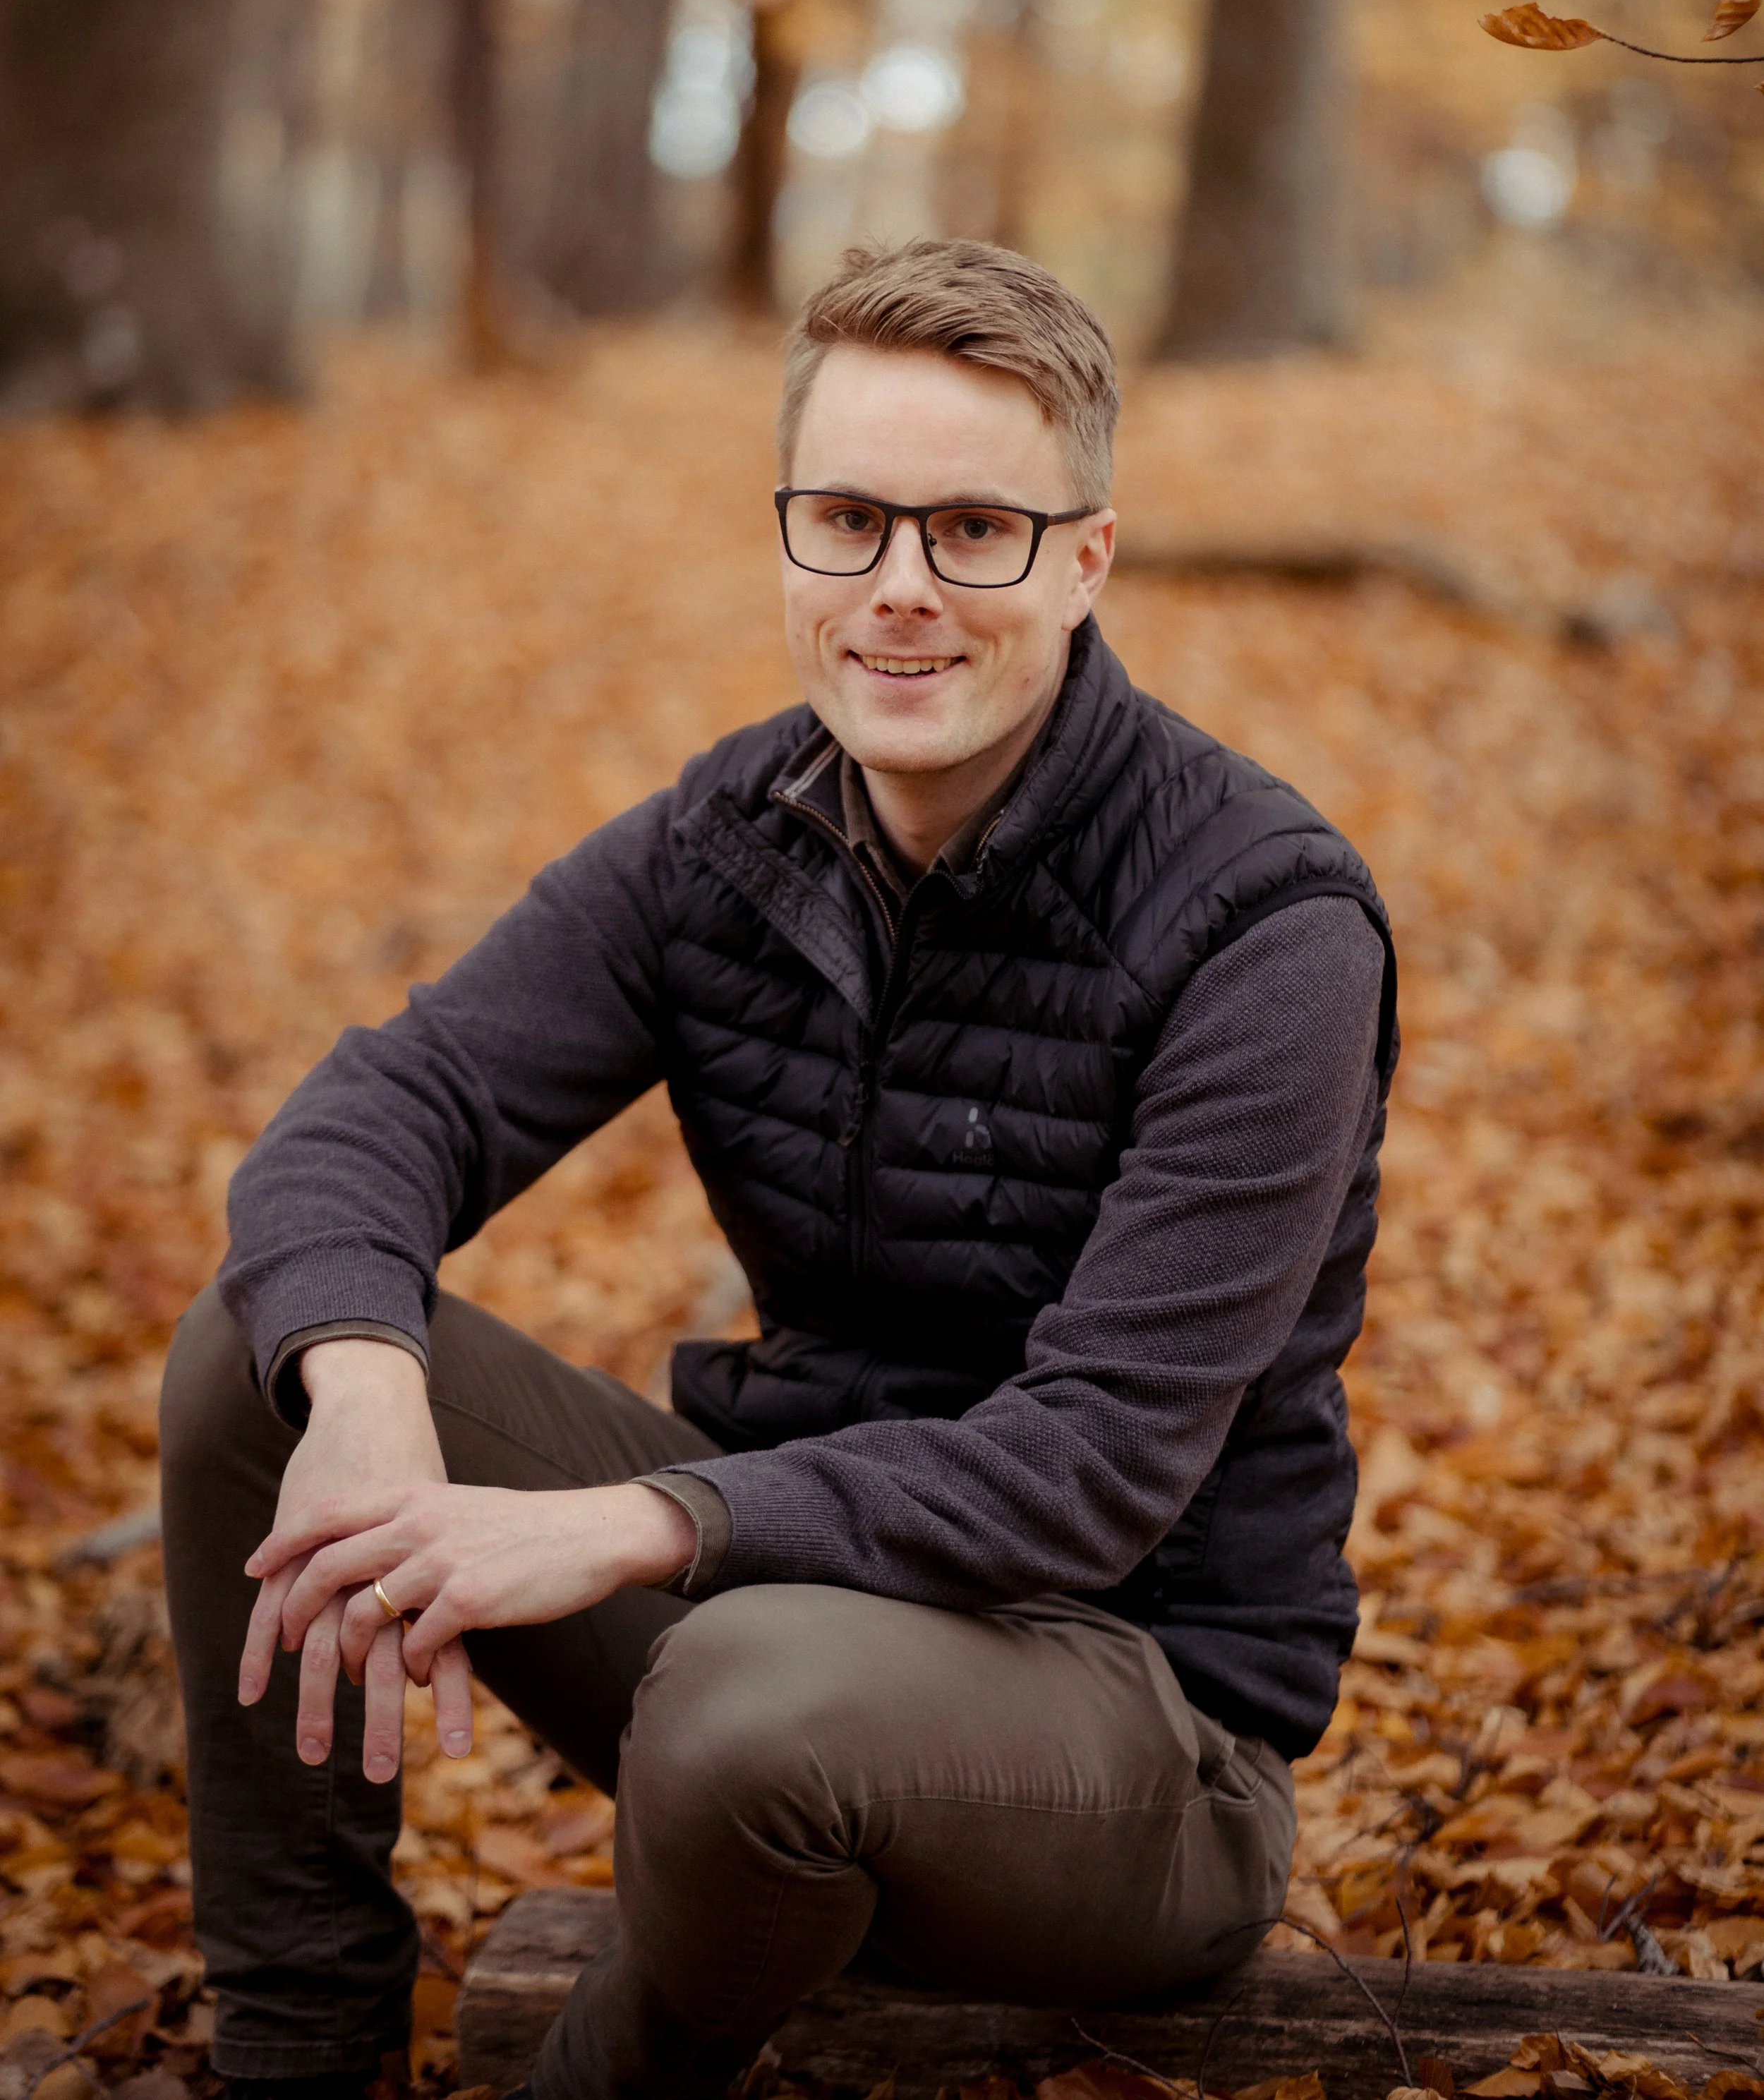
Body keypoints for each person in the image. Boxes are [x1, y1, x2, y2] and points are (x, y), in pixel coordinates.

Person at [159, 237, 1398, 2100]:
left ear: (1085, 556)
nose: (898, 591)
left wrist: (627, 1525)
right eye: (845, 520)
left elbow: (1087, 1471)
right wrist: (358, 1390)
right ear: (790, 538)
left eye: (972, 528)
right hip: (785, 1595)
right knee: (258, 1353)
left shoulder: (1266, 928)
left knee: (751, 1700)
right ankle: (302, 2045)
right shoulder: (732, 833)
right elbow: (379, 1110)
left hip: (1130, 1735)